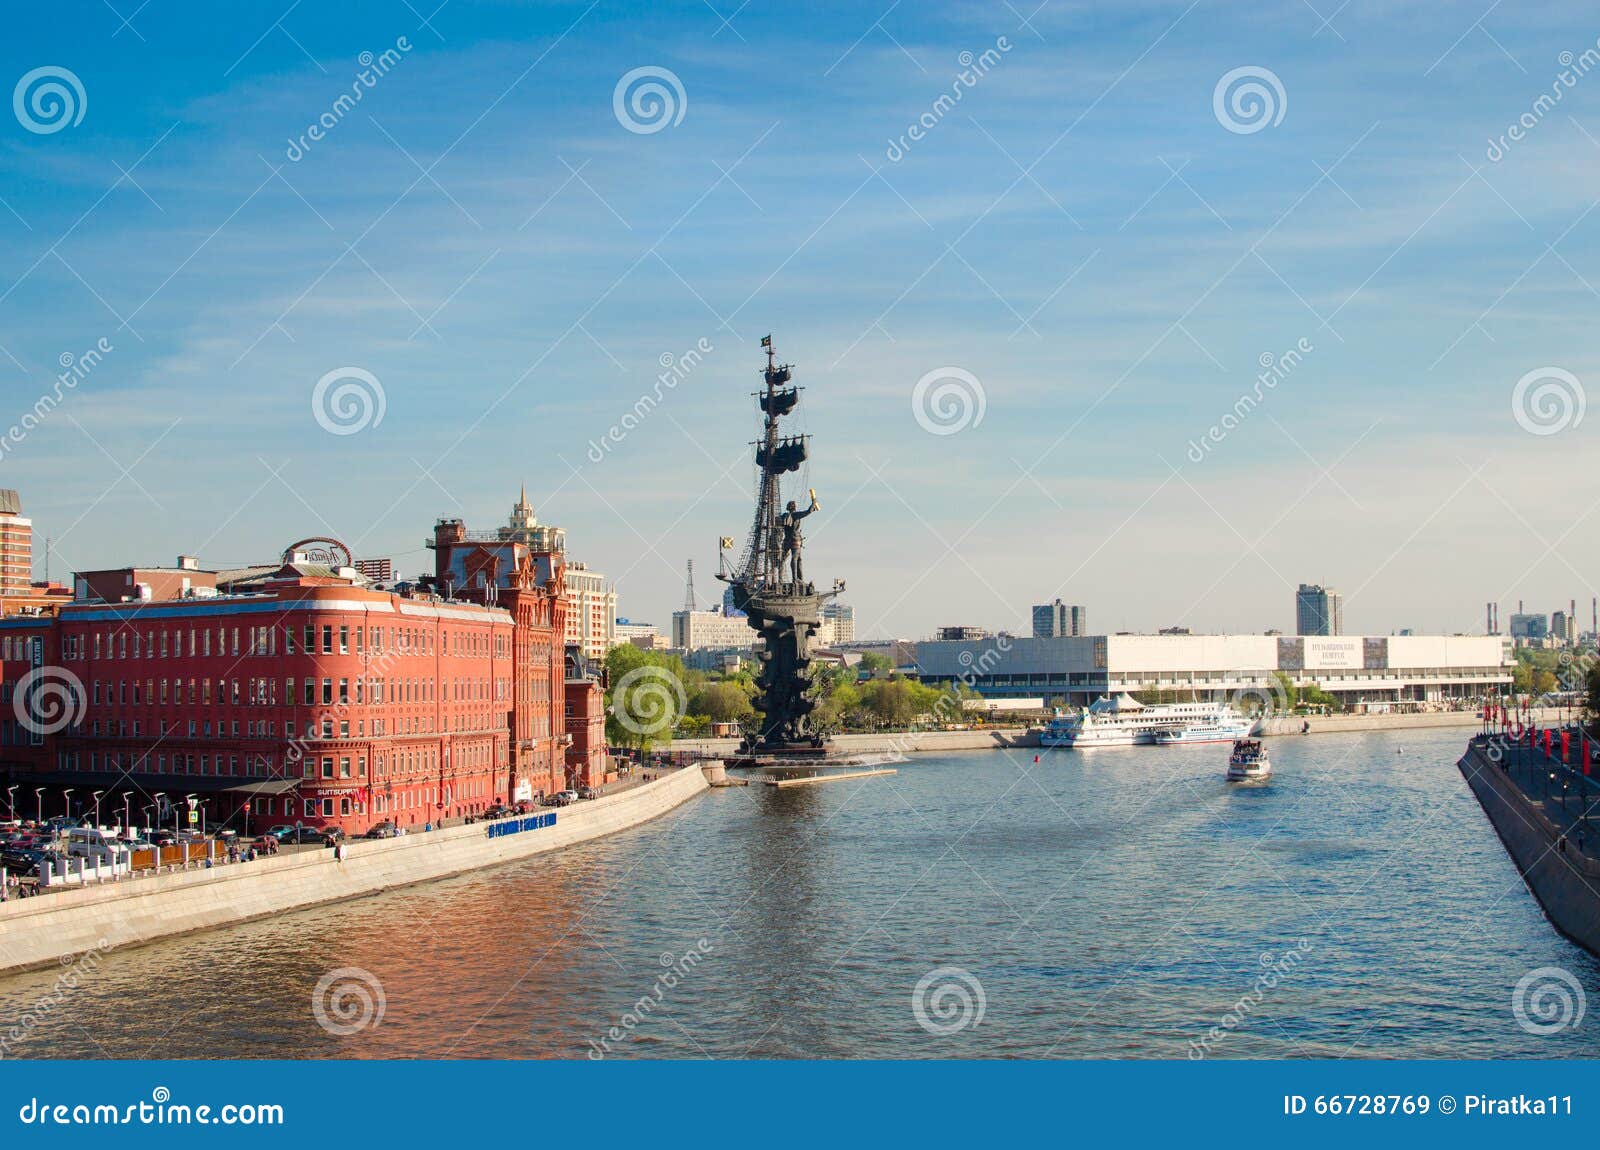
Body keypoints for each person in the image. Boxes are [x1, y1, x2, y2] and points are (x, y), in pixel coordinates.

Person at [777, 490, 819, 585]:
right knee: (797, 558)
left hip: (786, 540)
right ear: (794, 507)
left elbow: (777, 520)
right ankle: (796, 579)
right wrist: (814, 502)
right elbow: (808, 511)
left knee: (783, 559)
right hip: (795, 540)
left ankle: (780, 579)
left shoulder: (784, 515)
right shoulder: (795, 515)